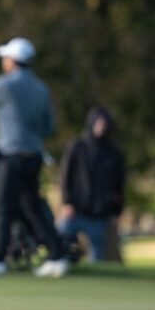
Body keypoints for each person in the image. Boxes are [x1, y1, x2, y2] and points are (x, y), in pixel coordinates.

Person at [0, 38, 68, 278]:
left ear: (12, 61)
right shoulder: (41, 88)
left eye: (5, 58)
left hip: (11, 157)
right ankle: (56, 256)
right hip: (34, 157)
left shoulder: (6, 85)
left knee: (4, 207)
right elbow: (49, 126)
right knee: (32, 207)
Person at [59, 106, 125, 262]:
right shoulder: (77, 147)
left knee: (97, 253)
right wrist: (67, 202)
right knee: (61, 240)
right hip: (75, 210)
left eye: (104, 124)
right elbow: (65, 176)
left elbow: (119, 185)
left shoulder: (113, 153)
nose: (101, 127)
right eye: (98, 123)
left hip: (99, 214)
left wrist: (116, 211)